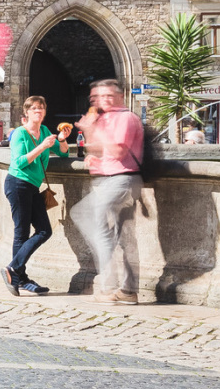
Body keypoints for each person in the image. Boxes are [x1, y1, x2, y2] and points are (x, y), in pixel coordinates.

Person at [71, 79, 146, 305]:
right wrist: (93, 155)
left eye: (106, 96)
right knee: (123, 238)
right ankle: (128, 291)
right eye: (96, 97)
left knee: (84, 215)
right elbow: (100, 148)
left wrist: (92, 128)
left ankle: (108, 284)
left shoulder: (126, 118)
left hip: (122, 180)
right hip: (109, 180)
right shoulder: (106, 118)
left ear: (119, 96)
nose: (100, 101)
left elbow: (118, 151)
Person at [5, 96, 68, 296]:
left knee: (44, 230)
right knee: (21, 232)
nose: (38, 111)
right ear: (27, 113)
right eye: (34, 108)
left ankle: (13, 270)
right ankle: (20, 278)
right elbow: (19, 162)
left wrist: (62, 138)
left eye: (41, 108)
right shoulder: (20, 134)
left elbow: (64, 154)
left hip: (32, 186)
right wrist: (42, 147)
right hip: (17, 183)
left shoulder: (46, 131)